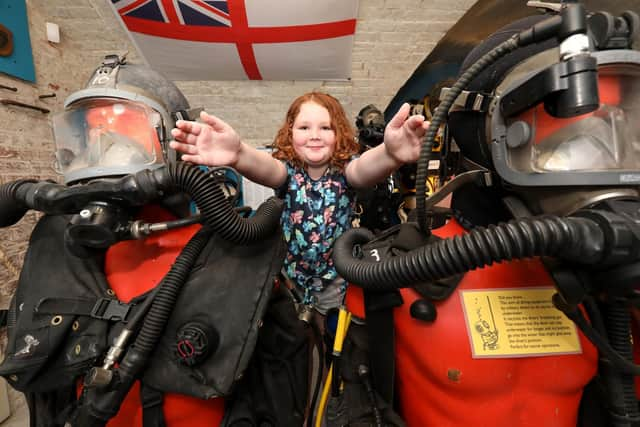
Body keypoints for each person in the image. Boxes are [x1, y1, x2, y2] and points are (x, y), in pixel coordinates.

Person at [331, 5, 640, 427]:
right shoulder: (394, 282)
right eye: (571, 132)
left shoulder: (604, 289)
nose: (605, 155)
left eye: (620, 128)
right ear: (487, 135)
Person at [170, 92, 430, 313]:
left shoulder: (345, 173)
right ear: (290, 133)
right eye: (304, 127)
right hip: (288, 280)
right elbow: (266, 168)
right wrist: (238, 154)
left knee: (332, 339)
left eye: (325, 127)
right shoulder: (287, 173)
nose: (314, 135)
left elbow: (364, 169)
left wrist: (389, 154)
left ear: (339, 133)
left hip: (335, 281)